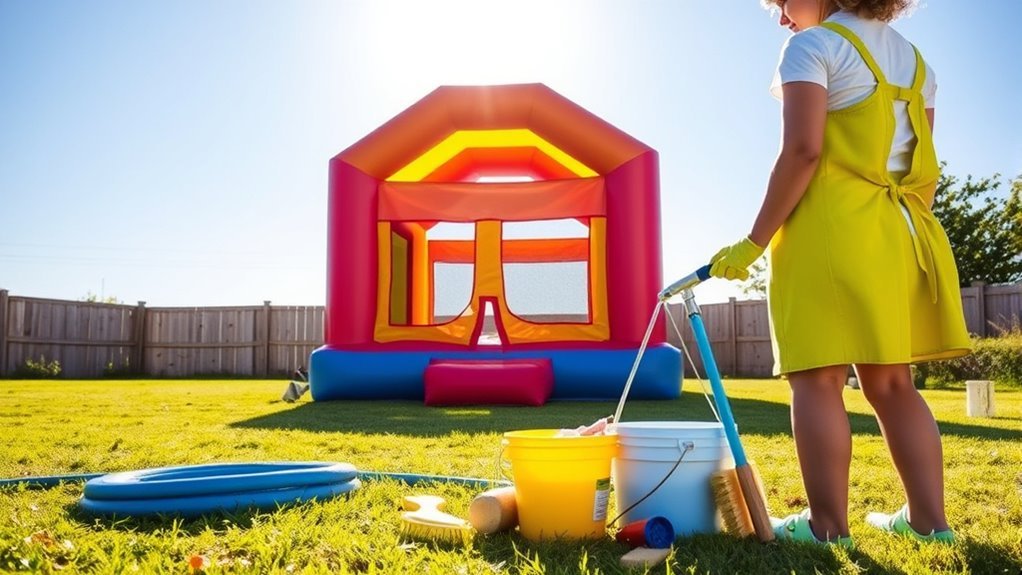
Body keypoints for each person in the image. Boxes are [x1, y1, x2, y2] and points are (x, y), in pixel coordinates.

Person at [708, 0, 972, 546]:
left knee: (816, 378)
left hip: (827, 229)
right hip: (898, 231)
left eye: (782, 1)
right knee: (893, 383)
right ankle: (929, 523)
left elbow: (804, 152)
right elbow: (924, 174)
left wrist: (753, 242)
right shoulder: (917, 63)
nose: (780, 16)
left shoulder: (813, 46)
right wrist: (895, 233)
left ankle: (826, 527)